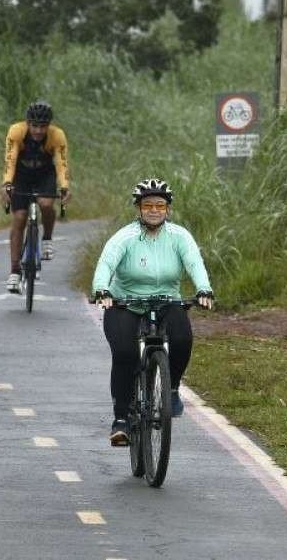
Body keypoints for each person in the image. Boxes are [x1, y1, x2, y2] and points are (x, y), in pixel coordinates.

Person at [91, 178, 214, 446]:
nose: (154, 210)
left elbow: (194, 263)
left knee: (182, 338)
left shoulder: (179, 236)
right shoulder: (124, 237)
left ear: (168, 209)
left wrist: (204, 289)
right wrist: (102, 290)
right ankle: (121, 419)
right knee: (124, 355)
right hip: (125, 302)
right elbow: (106, 263)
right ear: (139, 209)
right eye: (148, 205)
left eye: (160, 205)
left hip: (166, 300)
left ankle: (171, 389)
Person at [0, 100, 71, 292]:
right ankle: (14, 272)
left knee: (46, 204)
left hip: (44, 175)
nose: (38, 131)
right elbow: (10, 160)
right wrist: (6, 184)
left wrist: (64, 187)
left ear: (49, 125)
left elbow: (61, 164)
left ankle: (47, 239)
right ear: (27, 123)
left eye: (43, 126)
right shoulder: (16, 132)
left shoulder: (57, 136)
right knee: (19, 218)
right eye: (34, 126)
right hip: (21, 176)